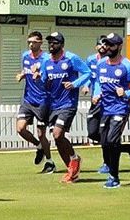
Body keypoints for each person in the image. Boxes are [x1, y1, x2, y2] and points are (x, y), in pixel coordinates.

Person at [91, 32, 130, 189]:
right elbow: (97, 82)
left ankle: (114, 177)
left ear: (119, 46)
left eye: (111, 45)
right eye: (106, 44)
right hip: (105, 108)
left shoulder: (127, 66)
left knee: (112, 140)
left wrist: (127, 93)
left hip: (120, 108)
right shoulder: (101, 64)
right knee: (104, 141)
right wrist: (96, 94)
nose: (107, 47)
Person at [39, 32, 91, 183]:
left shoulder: (71, 58)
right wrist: (40, 78)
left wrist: (75, 84)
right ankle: (72, 166)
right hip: (52, 105)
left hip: (68, 104)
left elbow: (87, 73)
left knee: (57, 134)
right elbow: (44, 80)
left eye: (54, 42)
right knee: (58, 139)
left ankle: (74, 160)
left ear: (61, 44)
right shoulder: (46, 61)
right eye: (49, 42)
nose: (51, 45)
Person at [15, 30, 54, 173]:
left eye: (34, 42)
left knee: (41, 133)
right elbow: (26, 71)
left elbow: (50, 75)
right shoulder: (25, 56)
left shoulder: (47, 58)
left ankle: (50, 161)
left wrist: (40, 74)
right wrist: (22, 75)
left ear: (40, 43)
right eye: (29, 42)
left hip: (43, 100)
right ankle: (39, 147)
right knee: (20, 128)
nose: (31, 45)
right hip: (28, 99)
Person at [85, 39, 110, 174]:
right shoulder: (91, 60)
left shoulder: (109, 62)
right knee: (92, 133)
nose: (103, 46)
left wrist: (100, 94)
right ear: (96, 46)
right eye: (100, 44)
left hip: (106, 101)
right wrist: (86, 85)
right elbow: (90, 75)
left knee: (104, 133)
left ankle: (107, 163)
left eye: (105, 44)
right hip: (94, 101)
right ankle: (128, 148)